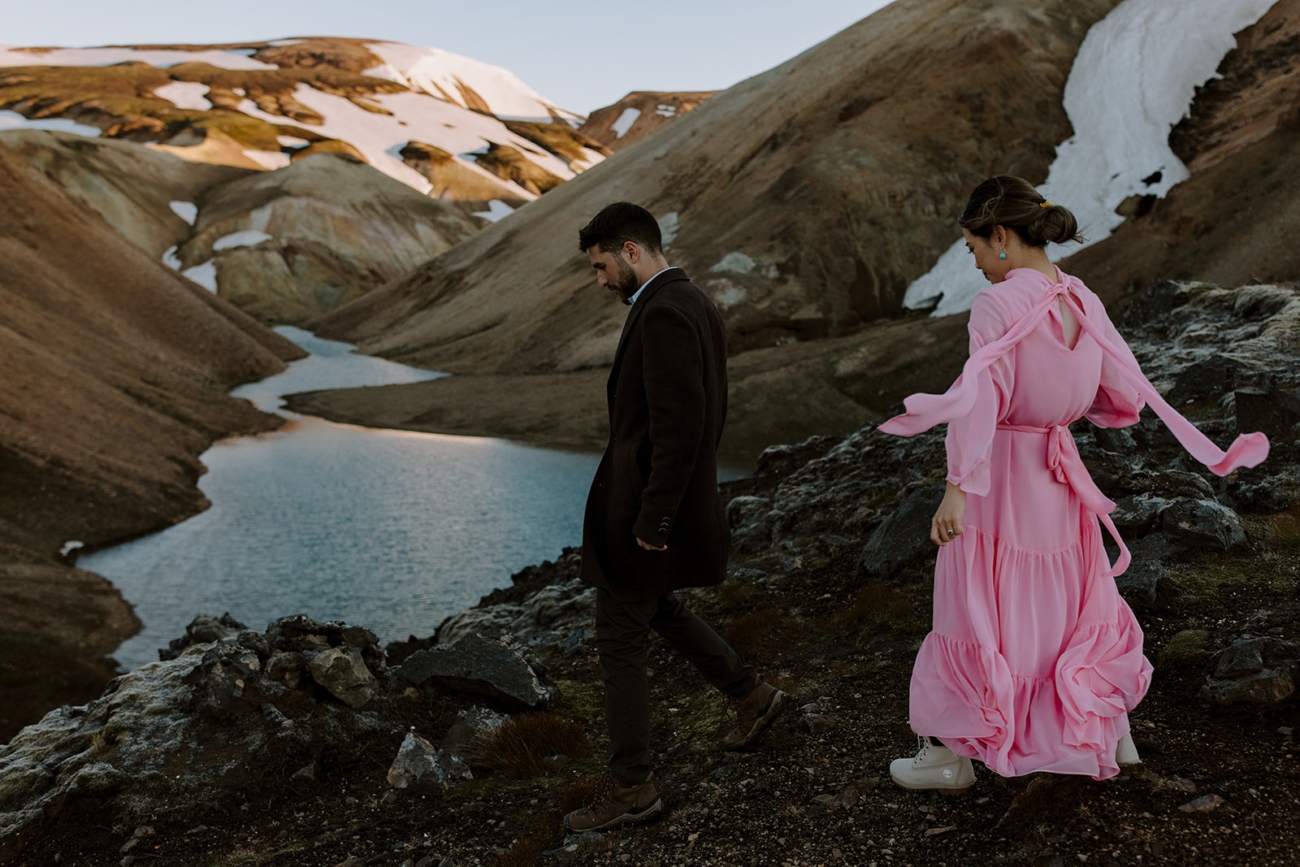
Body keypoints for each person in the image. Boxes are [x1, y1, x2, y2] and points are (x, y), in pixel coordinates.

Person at [879, 176, 1269, 790]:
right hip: (1059, 479)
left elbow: (980, 401)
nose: (976, 261)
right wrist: (1062, 407)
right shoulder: (1079, 296)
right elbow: (1118, 391)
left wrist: (957, 484)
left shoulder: (998, 304)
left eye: (974, 247)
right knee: (1068, 603)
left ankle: (949, 757)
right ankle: (1110, 730)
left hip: (1002, 476)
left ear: (1001, 235)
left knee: (972, 601)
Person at [563, 202, 789, 831]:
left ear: (632, 250)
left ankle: (634, 788)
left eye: (602, 265)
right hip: (661, 504)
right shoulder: (690, 301)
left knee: (618, 640)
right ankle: (753, 696)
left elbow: (680, 426)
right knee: (658, 607)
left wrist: (652, 519)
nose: (600, 280)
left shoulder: (662, 312)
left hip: (646, 511)